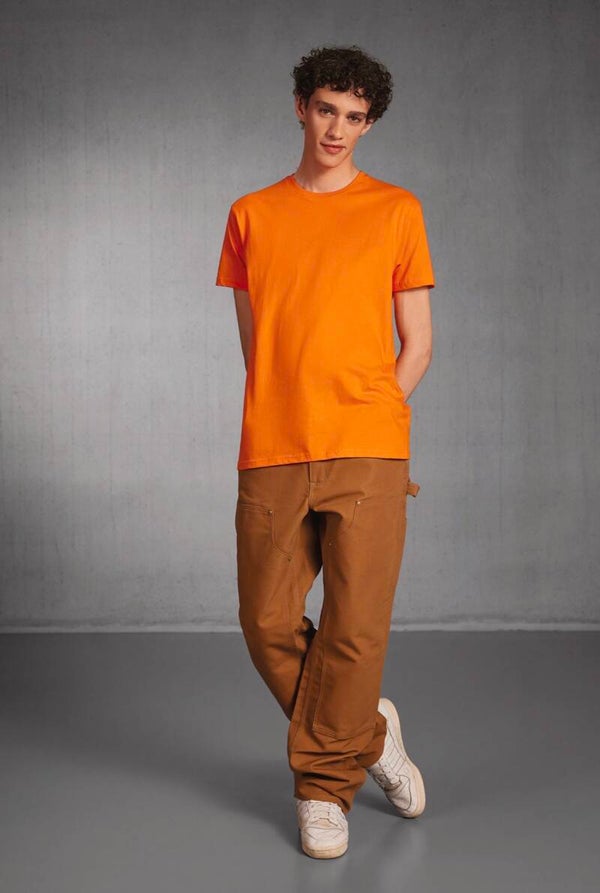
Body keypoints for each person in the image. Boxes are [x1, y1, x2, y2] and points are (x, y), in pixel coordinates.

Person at [215, 44, 436, 859]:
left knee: (354, 627)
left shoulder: (396, 210)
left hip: (368, 447)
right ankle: (369, 730)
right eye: (326, 110)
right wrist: (288, 406)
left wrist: (376, 411)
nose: (338, 128)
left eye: (355, 116)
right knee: (265, 619)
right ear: (301, 108)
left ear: (368, 124)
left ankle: (322, 789)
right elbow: (258, 343)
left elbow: (418, 340)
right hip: (275, 442)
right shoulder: (251, 214)